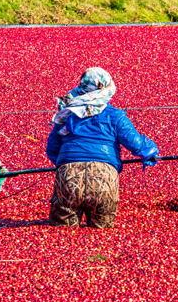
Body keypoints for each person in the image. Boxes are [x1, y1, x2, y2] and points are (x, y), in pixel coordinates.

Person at [46, 67, 158, 228]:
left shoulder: (67, 114)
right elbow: (136, 144)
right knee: (101, 231)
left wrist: (67, 163)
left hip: (68, 177)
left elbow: (52, 149)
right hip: (104, 178)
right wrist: (150, 153)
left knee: (63, 233)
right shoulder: (115, 116)